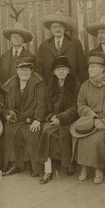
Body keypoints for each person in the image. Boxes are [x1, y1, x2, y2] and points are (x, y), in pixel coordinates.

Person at [74, 52, 105, 184]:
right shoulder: (85, 85)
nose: (90, 69)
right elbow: (81, 105)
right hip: (90, 120)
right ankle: (84, 168)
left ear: (103, 69)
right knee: (81, 136)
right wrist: (93, 119)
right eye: (89, 67)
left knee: (98, 139)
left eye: (94, 67)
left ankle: (99, 169)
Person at [35, 56, 80, 184]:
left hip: (70, 118)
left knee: (64, 133)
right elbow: (48, 103)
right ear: (54, 72)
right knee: (45, 131)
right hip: (53, 117)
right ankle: (48, 170)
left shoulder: (75, 84)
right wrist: (52, 116)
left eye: (63, 69)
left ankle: (69, 163)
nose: (61, 72)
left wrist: (61, 118)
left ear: (68, 71)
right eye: (58, 69)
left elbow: (76, 106)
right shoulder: (52, 83)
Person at [1, 56, 46, 177]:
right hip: (16, 119)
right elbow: (5, 106)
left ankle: (33, 164)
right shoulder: (11, 84)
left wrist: (37, 119)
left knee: (33, 132)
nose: (24, 72)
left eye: (27, 69)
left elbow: (42, 102)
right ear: (17, 70)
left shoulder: (39, 82)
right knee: (10, 131)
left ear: (32, 70)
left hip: (31, 118)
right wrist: (7, 115)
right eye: (21, 69)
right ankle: (15, 164)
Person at [36, 12, 86, 83]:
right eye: (54, 27)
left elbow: (82, 67)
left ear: (64, 28)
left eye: (60, 26)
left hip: (71, 86)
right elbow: (39, 69)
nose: (57, 29)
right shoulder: (44, 46)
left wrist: (79, 85)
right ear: (51, 29)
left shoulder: (75, 43)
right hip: (50, 87)